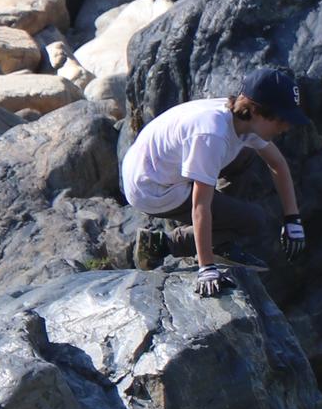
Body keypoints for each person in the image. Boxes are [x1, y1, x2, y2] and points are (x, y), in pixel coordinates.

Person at [126, 65, 311, 296]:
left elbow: (278, 164)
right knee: (254, 220)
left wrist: (293, 219)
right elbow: (200, 206)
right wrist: (207, 269)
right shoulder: (212, 134)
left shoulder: (241, 120)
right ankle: (163, 243)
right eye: (281, 119)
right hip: (151, 188)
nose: (286, 127)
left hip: (154, 165)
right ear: (257, 111)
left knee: (245, 157)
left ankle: (220, 238)